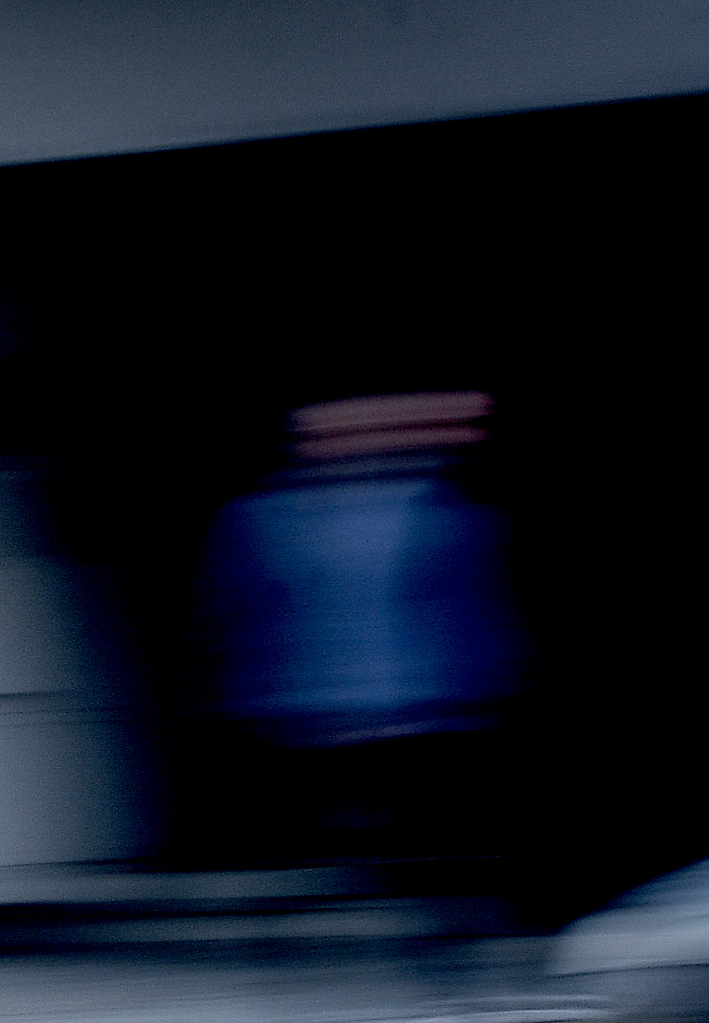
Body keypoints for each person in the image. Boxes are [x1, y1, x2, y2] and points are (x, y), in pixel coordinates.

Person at [201, 391, 518, 983]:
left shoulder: (437, 512)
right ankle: (304, 944)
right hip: (346, 709)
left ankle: (430, 951)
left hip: (398, 706)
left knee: (412, 842)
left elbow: (469, 612)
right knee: (354, 844)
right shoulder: (271, 520)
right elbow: (242, 615)